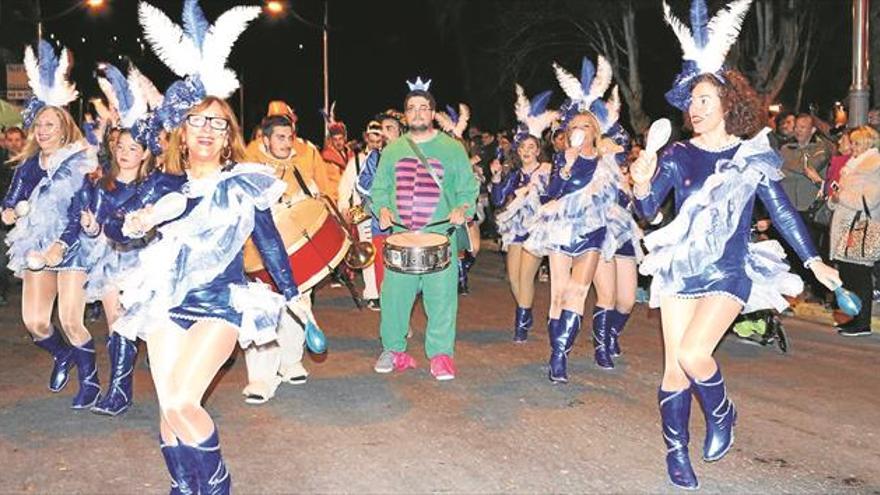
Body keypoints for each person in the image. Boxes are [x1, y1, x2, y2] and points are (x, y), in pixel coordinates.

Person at [632, 1, 841, 489]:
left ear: (729, 103)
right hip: (681, 267)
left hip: (729, 268)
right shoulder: (677, 154)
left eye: (705, 99)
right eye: (692, 101)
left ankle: (722, 412)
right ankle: (677, 452)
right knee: (673, 367)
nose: (695, 108)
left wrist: (814, 260)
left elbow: (783, 211)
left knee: (695, 354)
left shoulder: (753, 155)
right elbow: (647, 212)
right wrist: (642, 183)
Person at [121, 2, 310, 491]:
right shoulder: (161, 185)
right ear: (182, 134)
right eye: (197, 122)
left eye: (217, 123)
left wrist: (294, 299)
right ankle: (186, 485)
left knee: (185, 403)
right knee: (168, 408)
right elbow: (125, 233)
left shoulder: (245, 183)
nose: (206, 130)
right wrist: (135, 223)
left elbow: (268, 244)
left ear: (229, 137)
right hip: (166, 305)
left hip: (219, 303)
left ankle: (218, 485)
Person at [2, 40, 102, 409]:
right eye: (39, 124)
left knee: (72, 320)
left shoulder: (79, 160)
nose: (43, 130)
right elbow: (13, 196)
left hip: (70, 245)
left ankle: (90, 381)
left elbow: (81, 206)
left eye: (50, 124)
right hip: (35, 247)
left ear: (63, 127)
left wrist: (61, 244)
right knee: (35, 323)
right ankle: (64, 355)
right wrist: (8, 211)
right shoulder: (29, 163)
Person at [371, 78, 478, 380]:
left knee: (442, 300)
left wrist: (463, 208)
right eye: (411, 108)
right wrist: (381, 208)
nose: (417, 113)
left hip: (439, 237)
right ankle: (393, 349)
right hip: (400, 237)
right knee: (393, 299)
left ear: (432, 113)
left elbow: (468, 189)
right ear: (405, 115)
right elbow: (379, 189)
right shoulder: (392, 150)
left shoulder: (452, 148)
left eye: (423, 108)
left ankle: (441, 355)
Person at [523, 55, 621, 383]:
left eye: (584, 126)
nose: (579, 132)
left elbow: (618, 195)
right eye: (574, 127)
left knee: (579, 290)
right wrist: (566, 166)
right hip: (562, 228)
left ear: (595, 130)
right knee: (559, 294)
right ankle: (557, 354)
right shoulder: (563, 159)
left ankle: (562, 353)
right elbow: (552, 193)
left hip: (593, 229)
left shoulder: (606, 160)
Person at [492, 84, 555, 342]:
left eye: (531, 146)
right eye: (522, 147)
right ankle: (526, 311)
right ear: (518, 151)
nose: (526, 150)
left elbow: (556, 196)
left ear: (538, 148)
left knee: (526, 278)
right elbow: (497, 200)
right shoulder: (514, 174)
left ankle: (521, 323)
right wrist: (496, 177)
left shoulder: (548, 170)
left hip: (536, 230)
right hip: (515, 231)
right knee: (514, 280)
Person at [829, 125, 880, 337]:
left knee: (859, 274)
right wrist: (834, 199)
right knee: (849, 272)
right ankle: (856, 318)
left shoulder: (875, 165)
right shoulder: (853, 165)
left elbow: (870, 200)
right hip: (846, 225)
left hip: (859, 226)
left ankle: (862, 323)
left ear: (868, 143)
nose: (853, 147)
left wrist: (842, 197)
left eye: (857, 143)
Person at [338, 120, 386, 310]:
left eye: (379, 139)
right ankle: (372, 293)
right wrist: (344, 208)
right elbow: (345, 187)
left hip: (382, 210)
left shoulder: (385, 158)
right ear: (367, 137)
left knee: (383, 252)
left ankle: (383, 291)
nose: (375, 142)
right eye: (372, 138)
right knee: (368, 251)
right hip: (362, 211)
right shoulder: (356, 160)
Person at [321, 120, 351, 204]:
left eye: (340, 138)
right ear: (331, 140)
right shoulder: (327, 158)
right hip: (337, 199)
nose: (338, 142)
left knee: (361, 216)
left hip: (352, 198)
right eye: (335, 139)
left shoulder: (351, 154)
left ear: (345, 138)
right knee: (342, 217)